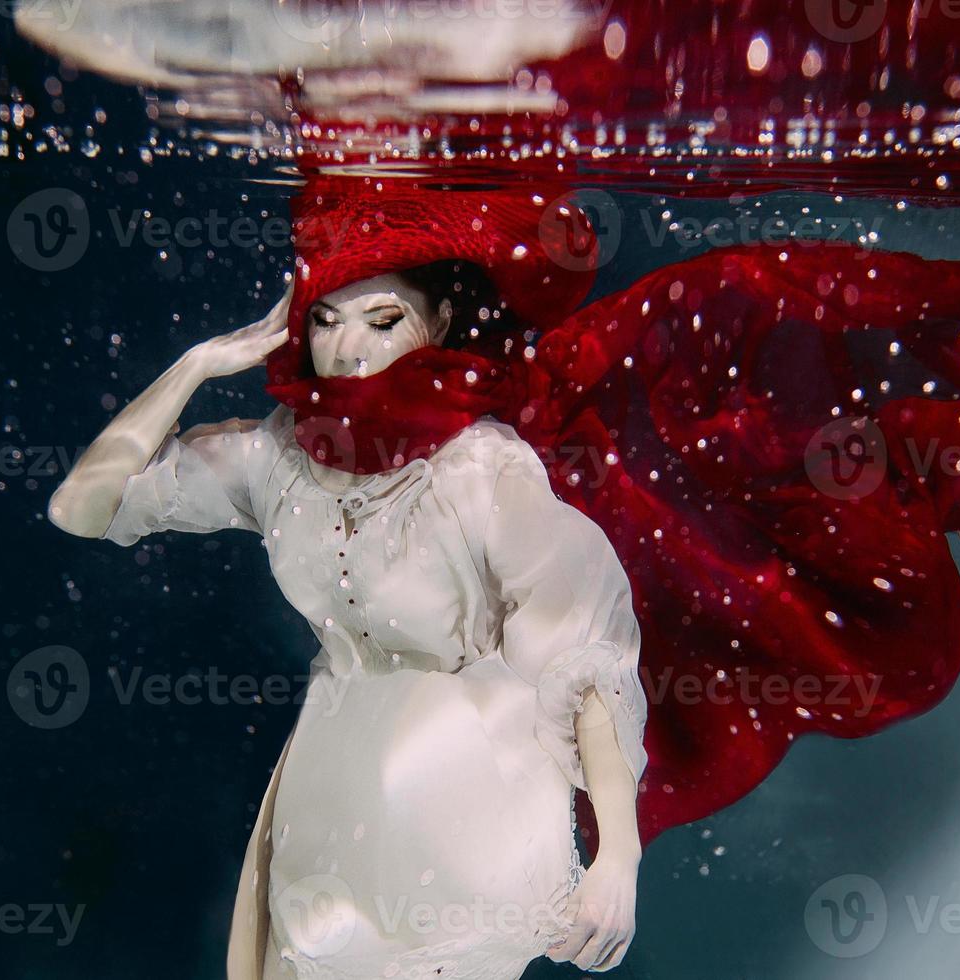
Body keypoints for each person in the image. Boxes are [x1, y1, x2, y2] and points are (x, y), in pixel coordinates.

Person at [48, 265, 650, 979]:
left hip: (468, 795)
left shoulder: (481, 469)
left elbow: (586, 652)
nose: (347, 347)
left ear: (441, 325)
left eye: (384, 320)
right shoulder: (275, 457)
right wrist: (197, 365)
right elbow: (81, 509)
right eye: (325, 320)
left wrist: (619, 853)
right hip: (326, 790)